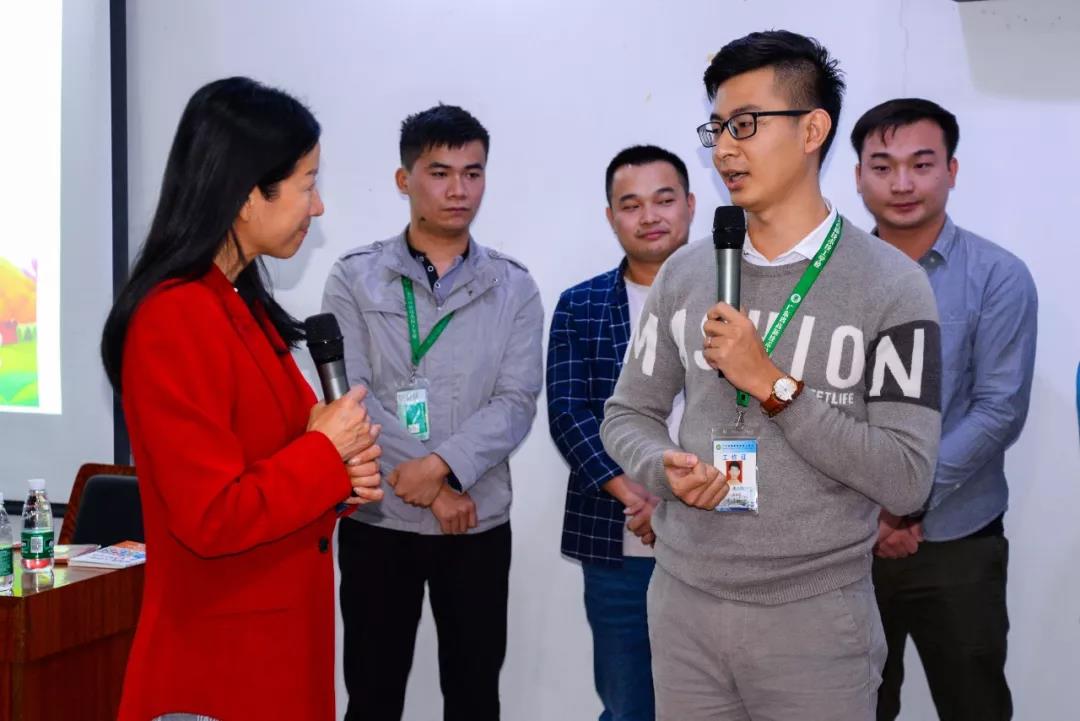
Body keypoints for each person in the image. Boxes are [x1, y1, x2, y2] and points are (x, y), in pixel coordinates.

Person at [600, 31, 943, 721]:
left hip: (815, 618)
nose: (724, 149)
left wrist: (775, 386)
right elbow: (627, 414)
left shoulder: (893, 285)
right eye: (718, 128)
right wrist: (663, 469)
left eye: (747, 124)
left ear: (812, 130)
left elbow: (908, 478)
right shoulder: (686, 271)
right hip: (685, 605)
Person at [99, 77, 383, 721]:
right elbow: (210, 517)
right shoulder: (173, 316)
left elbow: (277, 463)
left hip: (276, 653)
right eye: (307, 185)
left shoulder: (239, 304)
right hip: (219, 668)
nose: (317, 207)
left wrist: (341, 476)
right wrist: (325, 451)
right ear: (248, 194)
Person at [323, 104, 543, 721]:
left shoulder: (514, 286)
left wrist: (441, 468)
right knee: (372, 697)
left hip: (475, 523)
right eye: (440, 173)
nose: (458, 190)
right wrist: (429, 485)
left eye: (473, 173)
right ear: (405, 180)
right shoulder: (355, 278)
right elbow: (350, 397)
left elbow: (516, 402)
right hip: (378, 518)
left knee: (474, 698)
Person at [852, 97, 1038, 721]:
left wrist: (905, 501)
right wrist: (874, 511)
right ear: (858, 177)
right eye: (883, 166)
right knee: (851, 708)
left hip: (959, 539)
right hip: (848, 542)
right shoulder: (827, 279)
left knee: (973, 705)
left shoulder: (998, 276)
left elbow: (998, 410)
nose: (902, 183)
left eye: (922, 163)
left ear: (952, 171)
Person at [547, 144, 694, 721]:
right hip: (619, 536)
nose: (649, 216)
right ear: (611, 217)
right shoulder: (581, 305)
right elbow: (568, 412)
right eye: (631, 205)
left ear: (690, 204)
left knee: (713, 702)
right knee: (629, 702)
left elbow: (748, 415)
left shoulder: (737, 296)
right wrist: (633, 493)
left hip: (715, 539)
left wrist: (675, 501)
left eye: (664, 200)